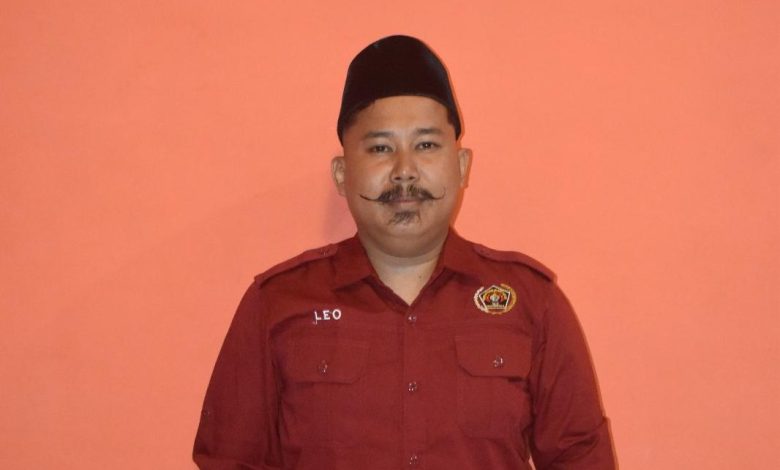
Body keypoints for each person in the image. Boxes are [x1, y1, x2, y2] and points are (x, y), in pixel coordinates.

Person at [193, 35, 615, 469]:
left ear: (462, 166)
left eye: (426, 145)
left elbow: (581, 459)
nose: (405, 171)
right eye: (380, 148)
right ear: (341, 173)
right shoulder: (277, 304)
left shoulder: (532, 302)